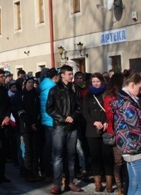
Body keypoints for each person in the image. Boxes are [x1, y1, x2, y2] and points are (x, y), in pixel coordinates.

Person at [111, 72, 141, 195]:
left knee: (134, 184)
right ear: (133, 85)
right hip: (134, 147)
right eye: (140, 88)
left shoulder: (123, 100)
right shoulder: (128, 103)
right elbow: (135, 129)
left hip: (127, 145)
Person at [46, 64, 83, 194]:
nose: (72, 76)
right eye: (69, 74)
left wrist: (73, 116)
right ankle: (57, 184)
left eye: (72, 74)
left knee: (71, 156)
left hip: (72, 127)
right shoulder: (54, 90)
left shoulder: (75, 90)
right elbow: (49, 108)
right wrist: (63, 118)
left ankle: (70, 182)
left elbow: (80, 107)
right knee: (58, 156)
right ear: (62, 75)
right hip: (59, 127)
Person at [82, 72, 114, 193]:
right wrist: (94, 122)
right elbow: (85, 112)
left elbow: (110, 110)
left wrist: (106, 122)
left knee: (107, 157)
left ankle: (109, 183)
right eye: (93, 81)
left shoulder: (107, 94)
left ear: (102, 82)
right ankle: (98, 183)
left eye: (98, 81)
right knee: (95, 158)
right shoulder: (88, 95)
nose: (95, 83)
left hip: (106, 129)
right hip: (92, 130)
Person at [104, 72, 125, 195]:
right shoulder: (109, 96)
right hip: (115, 131)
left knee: (127, 160)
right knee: (118, 161)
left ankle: (127, 184)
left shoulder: (125, 95)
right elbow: (110, 115)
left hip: (126, 131)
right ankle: (119, 187)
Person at [19, 75, 42, 182]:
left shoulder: (36, 95)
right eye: (29, 83)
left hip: (36, 126)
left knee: (36, 150)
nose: (31, 84)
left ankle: (35, 171)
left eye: (32, 83)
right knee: (28, 150)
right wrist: (30, 123)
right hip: (26, 127)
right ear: (25, 84)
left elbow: (38, 110)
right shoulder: (22, 95)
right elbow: (21, 112)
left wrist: (36, 122)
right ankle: (27, 172)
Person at [40, 68, 59, 182]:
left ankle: (45, 171)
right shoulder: (52, 87)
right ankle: (49, 172)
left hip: (46, 120)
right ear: (55, 77)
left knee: (47, 147)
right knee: (52, 148)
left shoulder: (43, 86)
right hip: (52, 120)